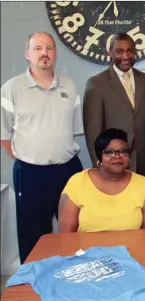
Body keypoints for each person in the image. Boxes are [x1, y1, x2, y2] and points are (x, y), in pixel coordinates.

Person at [0, 32, 83, 263]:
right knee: (32, 234)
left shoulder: (70, 86)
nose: (44, 53)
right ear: (27, 54)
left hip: (68, 171)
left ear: (55, 54)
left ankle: (75, 280)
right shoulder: (11, 88)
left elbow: (74, 128)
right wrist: (27, 158)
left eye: (49, 48)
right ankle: (33, 286)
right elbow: (3, 134)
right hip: (31, 173)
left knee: (75, 230)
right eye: (38, 48)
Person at [58, 128, 145, 232]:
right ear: (100, 156)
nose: (117, 157)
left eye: (123, 152)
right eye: (109, 152)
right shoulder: (78, 182)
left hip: (131, 248)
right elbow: (66, 236)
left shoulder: (143, 185)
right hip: (87, 248)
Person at [83, 33, 145, 180]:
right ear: (110, 52)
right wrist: (99, 165)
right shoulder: (97, 84)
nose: (125, 56)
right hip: (113, 162)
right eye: (119, 51)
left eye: (129, 51)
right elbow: (93, 130)